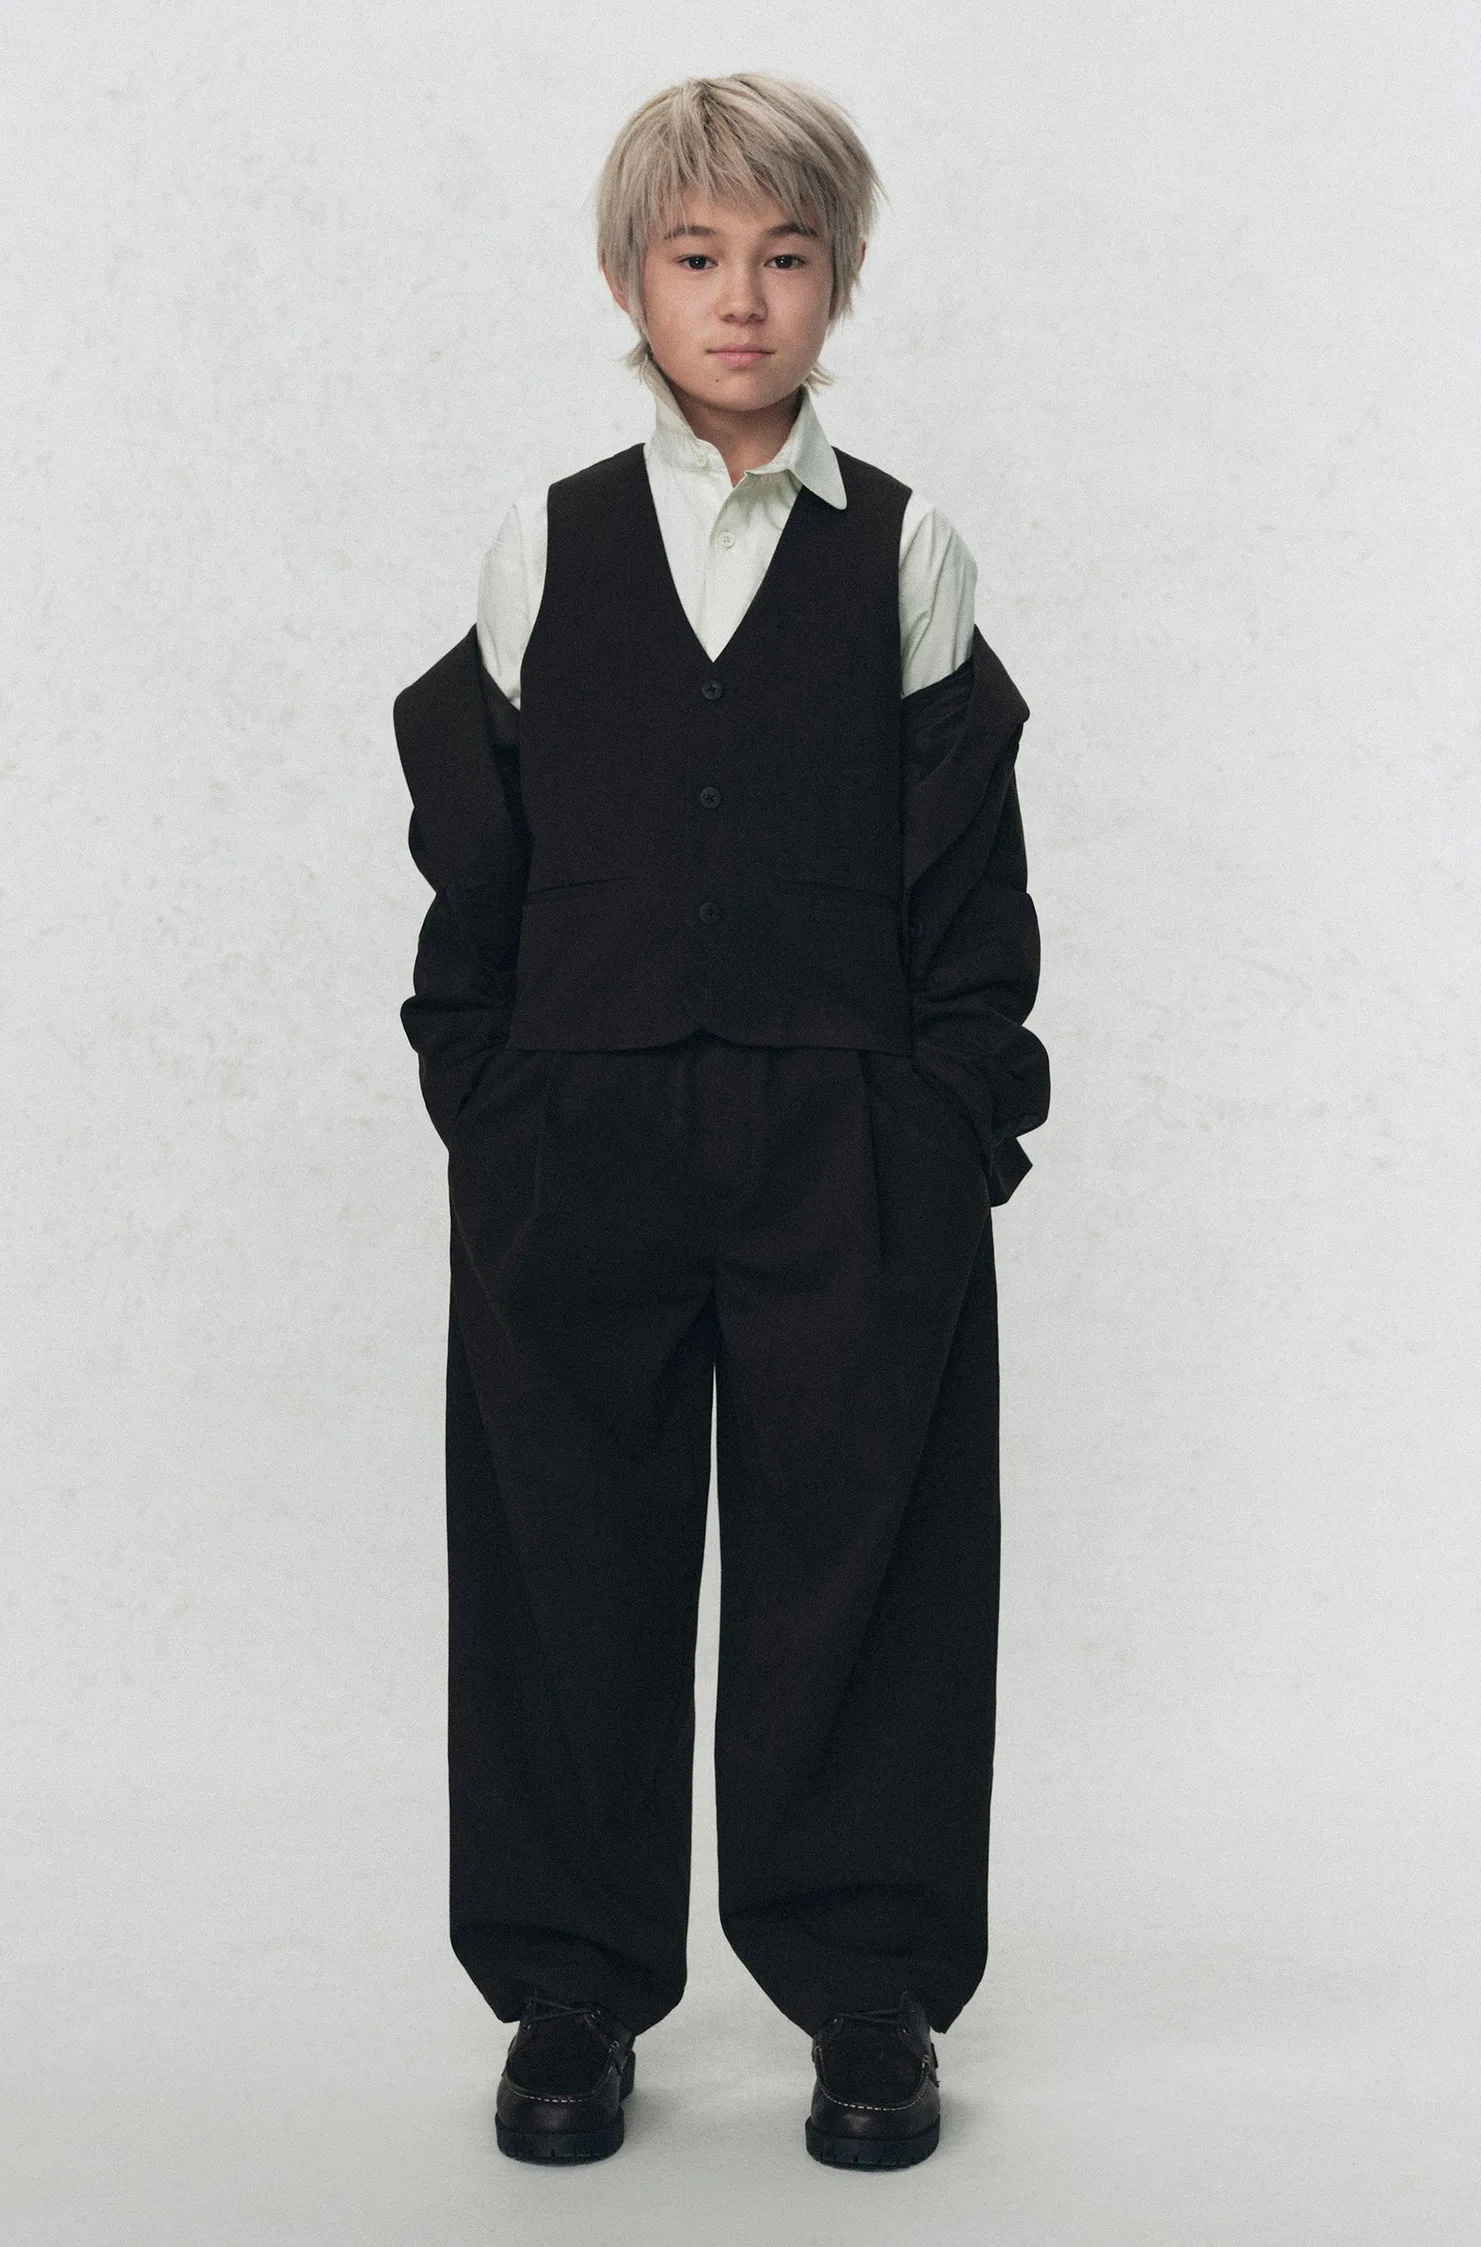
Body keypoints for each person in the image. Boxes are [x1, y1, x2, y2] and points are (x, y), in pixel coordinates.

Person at [393, 70, 1048, 2172]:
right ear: (630, 280)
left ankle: (867, 1988)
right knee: (561, 1551)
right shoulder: (549, 540)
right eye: (698, 257)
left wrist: (949, 1120)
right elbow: (476, 856)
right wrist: (487, 1096)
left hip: (845, 1132)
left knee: (865, 1555)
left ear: (836, 280)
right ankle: (571, 1987)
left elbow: (970, 874)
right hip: (577, 1132)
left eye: (785, 256)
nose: (741, 299)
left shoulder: (904, 548)